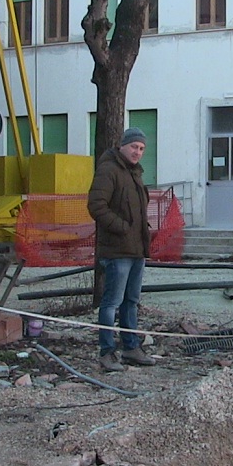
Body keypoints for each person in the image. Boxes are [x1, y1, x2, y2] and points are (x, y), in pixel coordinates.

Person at [87, 127, 156, 372]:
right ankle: (107, 352)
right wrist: (123, 228)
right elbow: (96, 205)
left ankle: (131, 348)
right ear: (123, 146)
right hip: (117, 251)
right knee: (111, 303)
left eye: (141, 148)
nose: (138, 152)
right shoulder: (109, 169)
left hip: (136, 250)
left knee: (131, 301)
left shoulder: (134, 173)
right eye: (134, 147)